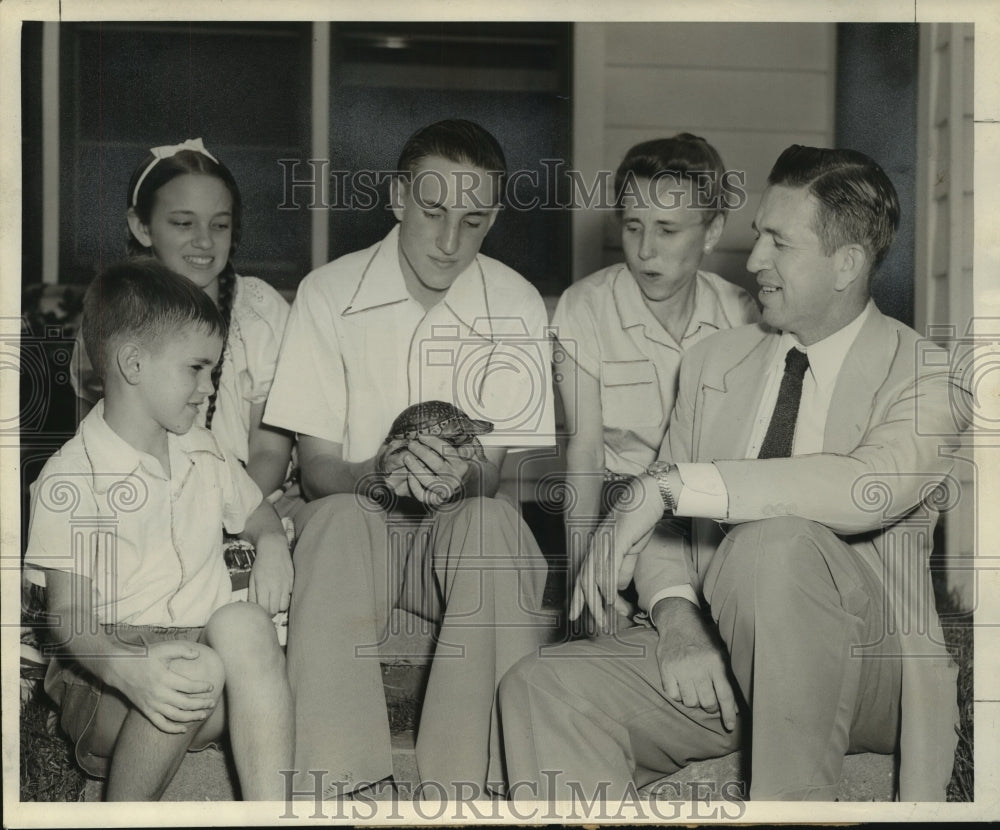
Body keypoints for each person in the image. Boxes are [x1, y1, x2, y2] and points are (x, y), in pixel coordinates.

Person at [499, 145, 969, 801]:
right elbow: (668, 538)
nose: (753, 263)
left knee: (772, 543)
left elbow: (869, 489)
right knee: (543, 688)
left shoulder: (926, 372)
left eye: (779, 243)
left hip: (869, 670)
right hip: (724, 649)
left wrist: (668, 486)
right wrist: (678, 616)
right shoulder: (715, 360)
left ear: (847, 263)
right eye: (757, 239)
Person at [264, 119, 556, 798]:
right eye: (433, 212)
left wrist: (461, 478)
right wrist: (377, 476)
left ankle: (467, 789)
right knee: (337, 518)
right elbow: (316, 468)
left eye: (474, 220)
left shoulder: (513, 304)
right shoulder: (328, 294)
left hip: (448, 553)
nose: (451, 241)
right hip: (353, 543)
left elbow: (497, 474)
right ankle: (345, 786)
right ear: (397, 199)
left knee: (493, 523)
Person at [24, 260, 294, 801]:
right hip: (110, 681)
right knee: (199, 665)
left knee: (244, 625)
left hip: (201, 672)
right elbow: (71, 616)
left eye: (214, 371)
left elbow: (257, 512)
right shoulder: (74, 475)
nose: (208, 388)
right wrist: (131, 671)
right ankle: (124, 811)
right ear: (133, 363)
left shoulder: (204, 449)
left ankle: (271, 810)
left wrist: (271, 546)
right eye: (196, 369)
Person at [551, 134, 758, 585]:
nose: (645, 249)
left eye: (667, 229)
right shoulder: (584, 307)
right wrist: (583, 572)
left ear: (713, 231)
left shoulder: (742, 313)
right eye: (632, 226)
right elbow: (584, 453)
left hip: (708, 502)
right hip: (617, 498)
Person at [70, 138, 294, 503]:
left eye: (219, 226)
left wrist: (214, 517)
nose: (204, 241)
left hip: (250, 501)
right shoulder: (114, 313)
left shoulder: (261, 313)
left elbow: (270, 452)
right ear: (142, 227)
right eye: (183, 223)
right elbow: (90, 434)